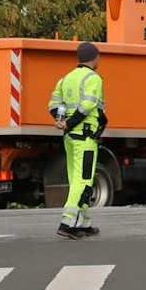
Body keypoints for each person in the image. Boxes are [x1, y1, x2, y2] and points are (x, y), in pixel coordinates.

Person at [49, 41, 106, 238]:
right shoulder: (93, 78)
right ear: (94, 57)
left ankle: (82, 222)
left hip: (70, 138)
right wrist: (70, 123)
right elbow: (88, 105)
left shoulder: (65, 79)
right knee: (84, 179)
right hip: (85, 136)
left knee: (76, 179)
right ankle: (67, 222)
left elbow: (53, 104)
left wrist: (61, 121)